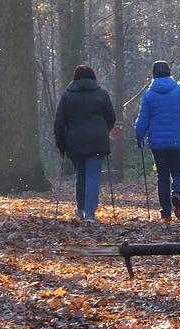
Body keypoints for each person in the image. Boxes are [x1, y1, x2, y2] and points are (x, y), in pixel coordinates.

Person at [135, 60, 180, 222]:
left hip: (157, 143)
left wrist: (140, 138)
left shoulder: (149, 95)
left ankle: (165, 211)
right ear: (169, 73)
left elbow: (142, 122)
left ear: (154, 74)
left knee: (163, 175)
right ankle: (177, 194)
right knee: (179, 172)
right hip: (177, 142)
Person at [54, 65, 116, 224]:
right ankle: (89, 213)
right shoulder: (101, 94)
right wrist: (103, 131)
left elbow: (59, 122)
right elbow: (111, 118)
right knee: (93, 176)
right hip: (97, 141)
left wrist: (61, 144)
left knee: (80, 175)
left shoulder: (67, 96)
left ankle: (80, 209)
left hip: (75, 142)